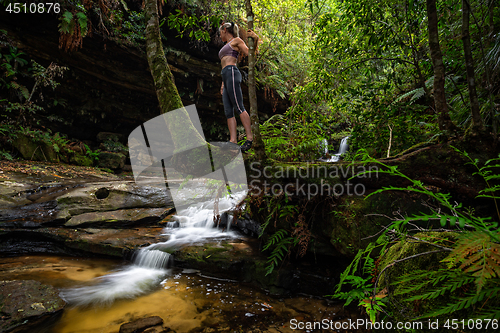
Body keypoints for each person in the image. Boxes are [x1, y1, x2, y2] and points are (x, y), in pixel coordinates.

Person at [218, 22, 258, 153]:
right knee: (228, 110)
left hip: (232, 72)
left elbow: (250, 54)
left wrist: (255, 40)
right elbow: (223, 64)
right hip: (226, 76)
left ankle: (250, 138)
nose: (219, 35)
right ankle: (232, 141)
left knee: (239, 106)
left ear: (225, 30)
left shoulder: (237, 40)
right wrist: (223, 83)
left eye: (220, 32)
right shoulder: (226, 45)